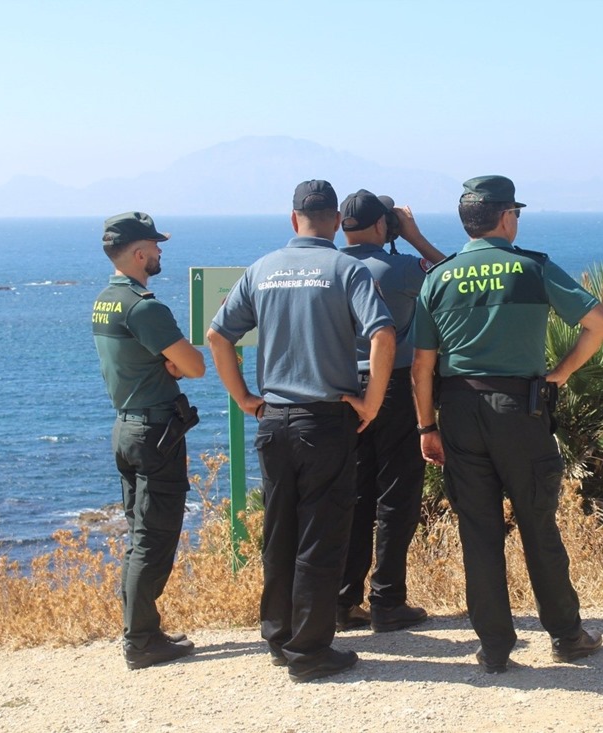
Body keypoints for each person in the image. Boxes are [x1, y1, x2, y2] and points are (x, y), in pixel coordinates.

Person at [411, 176, 603, 673]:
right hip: (519, 410)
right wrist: (561, 373)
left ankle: (496, 648)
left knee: (478, 532)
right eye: (516, 213)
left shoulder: (438, 278)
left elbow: (421, 365)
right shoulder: (531, 268)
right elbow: (600, 322)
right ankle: (567, 637)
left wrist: (426, 428)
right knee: (537, 524)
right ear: (506, 217)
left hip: (458, 412)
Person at [206, 180, 395, 683]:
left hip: (274, 422)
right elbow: (382, 333)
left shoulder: (261, 270)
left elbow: (216, 336)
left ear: (293, 220)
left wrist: (245, 398)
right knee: (321, 534)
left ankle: (278, 636)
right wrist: (372, 402)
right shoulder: (346, 268)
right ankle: (309, 651)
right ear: (334, 222)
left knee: (280, 531)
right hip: (325, 420)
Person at [92, 211, 206, 670]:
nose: (160, 252)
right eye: (156, 247)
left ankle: (144, 630)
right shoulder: (145, 306)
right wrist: (176, 364)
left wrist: (170, 363)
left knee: (140, 535)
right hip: (155, 433)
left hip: (127, 427)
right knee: (154, 538)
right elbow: (195, 366)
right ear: (139, 253)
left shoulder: (105, 299)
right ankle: (140, 641)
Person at [336, 190, 445, 633]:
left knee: (354, 497)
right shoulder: (400, 268)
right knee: (396, 496)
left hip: (345, 391)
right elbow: (450, 278)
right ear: (384, 226)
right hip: (396, 388)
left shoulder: (334, 268)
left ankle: (344, 601)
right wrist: (415, 236)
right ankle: (388, 600)